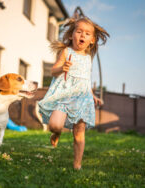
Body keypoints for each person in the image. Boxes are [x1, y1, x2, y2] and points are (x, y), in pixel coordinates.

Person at [38, 17, 109, 169]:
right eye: (79, 31)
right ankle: (56, 133)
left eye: (87, 33)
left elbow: (85, 80)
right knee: (55, 124)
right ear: (71, 35)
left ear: (92, 40)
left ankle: (77, 164)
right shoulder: (66, 51)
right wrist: (62, 68)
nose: (83, 35)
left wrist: (92, 95)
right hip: (64, 95)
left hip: (83, 97)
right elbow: (53, 70)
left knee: (79, 131)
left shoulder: (89, 57)